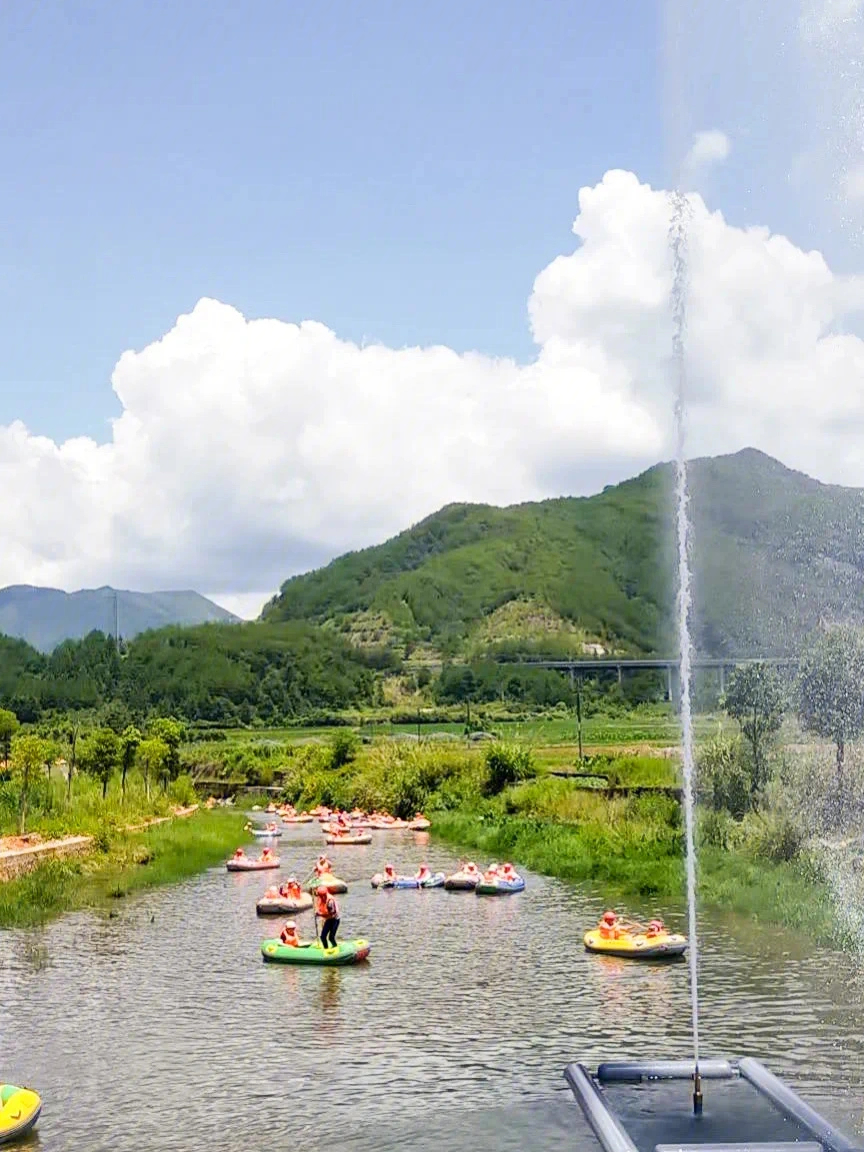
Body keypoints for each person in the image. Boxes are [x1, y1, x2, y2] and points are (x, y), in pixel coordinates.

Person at [316, 885, 340, 951]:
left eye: (323, 895)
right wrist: (317, 911)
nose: (322, 897)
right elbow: (320, 907)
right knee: (323, 937)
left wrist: (320, 914)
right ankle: (326, 949)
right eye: (320, 895)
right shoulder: (320, 898)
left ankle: (335, 947)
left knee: (331, 937)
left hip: (334, 919)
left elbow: (331, 914)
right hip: (328, 919)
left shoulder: (330, 901)